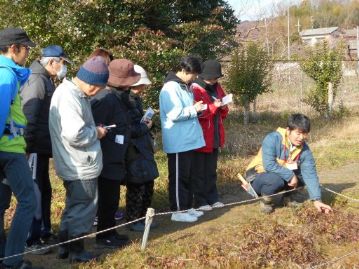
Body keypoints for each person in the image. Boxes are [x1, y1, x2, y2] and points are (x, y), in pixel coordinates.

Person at [49, 56, 108, 263]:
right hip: (80, 163)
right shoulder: (70, 97)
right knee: (84, 207)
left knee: (74, 206)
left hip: (72, 161)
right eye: (100, 87)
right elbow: (75, 134)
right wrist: (97, 133)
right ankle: (77, 250)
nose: (99, 92)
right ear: (93, 84)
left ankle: (64, 246)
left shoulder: (71, 93)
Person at [21, 45, 72, 253]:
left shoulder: (45, 79)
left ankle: (43, 231)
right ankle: (31, 239)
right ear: (52, 62)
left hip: (41, 147)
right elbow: (29, 115)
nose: (64, 68)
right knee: (35, 191)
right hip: (33, 147)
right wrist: (27, 145)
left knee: (45, 189)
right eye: (63, 63)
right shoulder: (37, 80)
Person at [0, 27, 42, 269]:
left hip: (8, 148)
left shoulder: (8, 74)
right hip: (9, 150)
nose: (28, 53)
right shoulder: (5, 74)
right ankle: (12, 260)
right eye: (26, 48)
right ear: (14, 48)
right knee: (28, 201)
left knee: (1, 204)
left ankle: (4, 256)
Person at [91, 59, 140, 248]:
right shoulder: (105, 98)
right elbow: (94, 127)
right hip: (106, 156)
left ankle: (110, 230)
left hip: (116, 156)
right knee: (107, 198)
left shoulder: (118, 97)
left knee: (112, 198)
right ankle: (104, 235)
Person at [245, 113, 333, 214]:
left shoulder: (304, 149)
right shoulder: (272, 138)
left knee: (304, 175)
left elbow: (310, 174)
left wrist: (317, 200)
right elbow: (269, 165)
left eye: (304, 133)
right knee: (276, 180)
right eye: (298, 133)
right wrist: (290, 176)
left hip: (279, 173)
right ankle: (266, 202)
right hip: (256, 176)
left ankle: (288, 198)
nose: (301, 138)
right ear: (288, 130)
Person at [159, 56, 205, 223]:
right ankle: (178, 210)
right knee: (179, 177)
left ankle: (187, 207)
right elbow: (174, 114)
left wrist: (196, 109)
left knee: (189, 175)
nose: (195, 78)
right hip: (178, 140)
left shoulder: (184, 86)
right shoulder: (170, 88)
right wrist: (194, 109)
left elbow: (186, 110)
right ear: (185, 71)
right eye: (193, 75)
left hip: (188, 139)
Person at [191, 59, 229, 211]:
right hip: (201, 135)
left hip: (215, 134)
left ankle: (213, 197)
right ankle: (200, 200)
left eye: (216, 78)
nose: (214, 80)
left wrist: (224, 107)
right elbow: (198, 113)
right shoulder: (195, 88)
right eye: (211, 77)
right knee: (199, 170)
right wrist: (214, 107)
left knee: (211, 170)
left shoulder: (217, 87)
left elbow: (223, 112)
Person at [125, 64, 159, 232]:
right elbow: (129, 129)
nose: (143, 88)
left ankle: (145, 217)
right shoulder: (126, 100)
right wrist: (146, 126)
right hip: (134, 150)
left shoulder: (136, 99)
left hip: (143, 148)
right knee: (137, 187)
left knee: (147, 184)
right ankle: (133, 220)